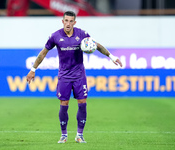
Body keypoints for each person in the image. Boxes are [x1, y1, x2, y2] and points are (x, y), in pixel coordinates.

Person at [26, 11, 122, 143]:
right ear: (62, 21)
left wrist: (112, 57)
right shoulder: (55, 36)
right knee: (64, 104)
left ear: (74, 23)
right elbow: (43, 53)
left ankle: (79, 135)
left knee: (82, 104)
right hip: (64, 76)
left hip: (79, 76)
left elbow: (96, 45)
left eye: (71, 21)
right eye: (66, 20)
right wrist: (33, 69)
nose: (68, 23)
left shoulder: (82, 34)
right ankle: (64, 135)